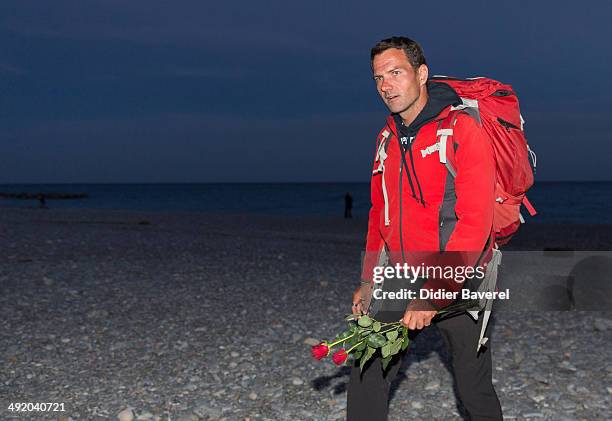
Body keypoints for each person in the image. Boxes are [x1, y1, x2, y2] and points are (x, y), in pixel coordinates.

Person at [347, 37, 503, 420]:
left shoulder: (462, 130)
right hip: (401, 273)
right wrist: (369, 278)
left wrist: (433, 294)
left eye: (396, 73)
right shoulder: (387, 139)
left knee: (472, 385)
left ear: (421, 74)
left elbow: (476, 223)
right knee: (367, 368)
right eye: (379, 77)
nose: (386, 85)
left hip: (459, 274)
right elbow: (377, 215)